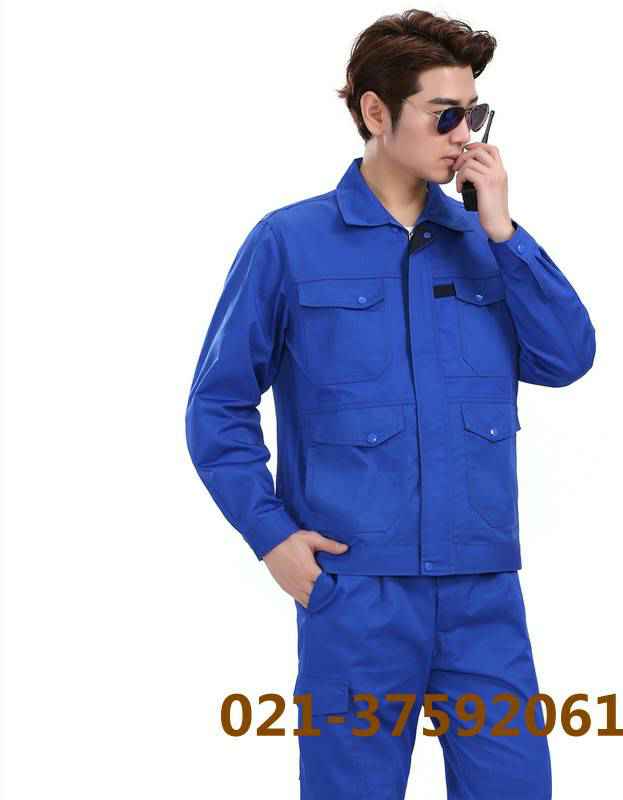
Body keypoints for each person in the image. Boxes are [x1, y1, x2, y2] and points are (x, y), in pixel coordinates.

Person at [185, 9, 596, 799]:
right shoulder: (288, 243)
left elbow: (566, 357)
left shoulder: (487, 243)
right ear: (376, 112)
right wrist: (272, 538)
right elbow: (217, 406)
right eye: (445, 116)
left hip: (481, 591)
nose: (464, 136)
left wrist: (503, 231)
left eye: (474, 114)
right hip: (357, 597)